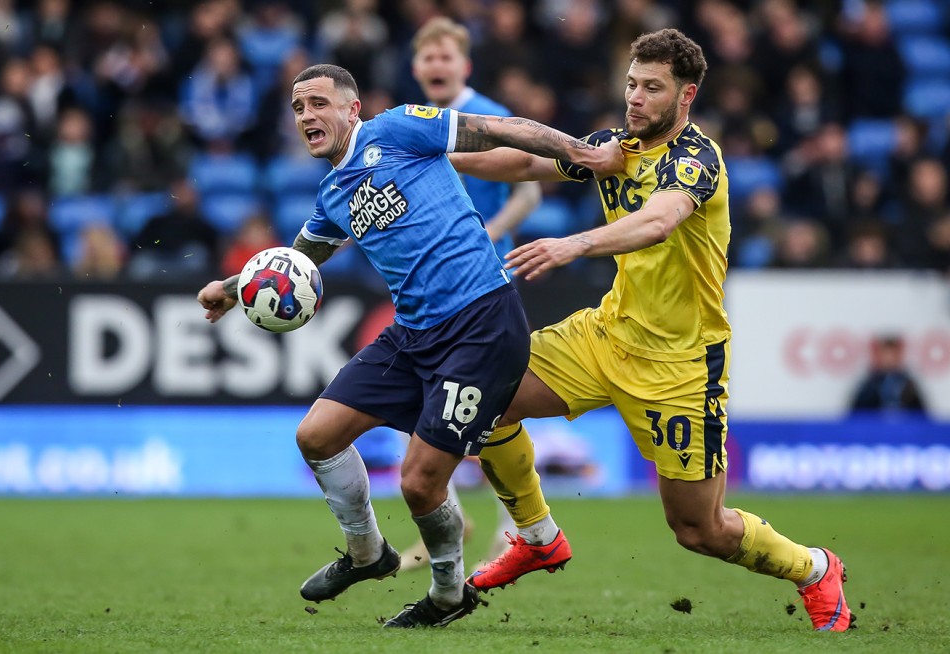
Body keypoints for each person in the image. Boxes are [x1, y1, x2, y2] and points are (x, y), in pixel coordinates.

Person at [450, 28, 853, 632]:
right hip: (607, 334)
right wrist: (424, 156)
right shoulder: (616, 145)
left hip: (682, 365)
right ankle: (537, 536)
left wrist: (572, 244)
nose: (635, 98)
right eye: (631, 84)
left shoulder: (697, 159)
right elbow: (527, 161)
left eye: (652, 88)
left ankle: (815, 568)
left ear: (685, 96)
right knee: (482, 399)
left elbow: (660, 221)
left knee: (699, 529)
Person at [195, 63, 620, 628]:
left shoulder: (394, 130)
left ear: (352, 109)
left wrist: (582, 154)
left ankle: (448, 593)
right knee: (316, 436)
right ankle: (368, 553)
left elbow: (493, 130)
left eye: (318, 103)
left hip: (481, 325)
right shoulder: (331, 193)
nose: (307, 116)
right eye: (298, 108)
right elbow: (301, 259)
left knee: (420, 482)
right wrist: (229, 290)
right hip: (415, 333)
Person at [398, 16, 543, 573]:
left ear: (464, 66)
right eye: (427, 57)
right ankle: (449, 519)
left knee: (495, 407)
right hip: (433, 281)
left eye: (445, 57)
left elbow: (528, 190)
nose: (436, 65)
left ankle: (517, 527)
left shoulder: (486, 116)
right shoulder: (416, 123)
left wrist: (492, 231)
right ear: (417, 67)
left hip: (486, 280)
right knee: (422, 401)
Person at [851, 335, 927, 413]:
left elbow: (920, 415)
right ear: (879, 356)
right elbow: (857, 413)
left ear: (898, 356)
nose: (889, 359)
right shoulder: (870, 384)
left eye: (892, 354)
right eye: (886, 354)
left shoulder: (908, 384)